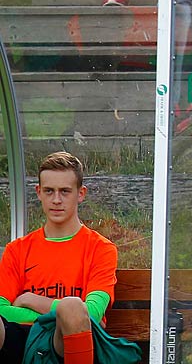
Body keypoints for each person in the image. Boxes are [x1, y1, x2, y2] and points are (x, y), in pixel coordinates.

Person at [0, 153, 120, 364]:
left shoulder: (101, 249)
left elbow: (89, 314)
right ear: (38, 193)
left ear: (81, 194)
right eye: (49, 191)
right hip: (24, 340)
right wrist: (49, 319)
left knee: (73, 308)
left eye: (65, 191)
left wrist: (31, 300)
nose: (56, 200)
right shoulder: (17, 249)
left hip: (70, 342)